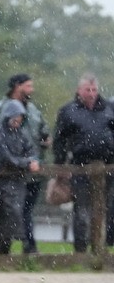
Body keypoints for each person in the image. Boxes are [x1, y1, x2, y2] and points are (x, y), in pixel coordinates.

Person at [0, 73, 49, 254]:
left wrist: (43, 144)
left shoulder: (34, 111)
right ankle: (3, 247)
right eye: (28, 86)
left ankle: (28, 246)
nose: (32, 90)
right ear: (17, 86)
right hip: (7, 172)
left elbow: (40, 132)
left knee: (26, 210)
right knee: (6, 210)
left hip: (31, 170)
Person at [52, 74, 114, 253]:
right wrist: (60, 165)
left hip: (108, 166)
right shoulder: (68, 111)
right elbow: (60, 141)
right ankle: (81, 248)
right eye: (88, 90)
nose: (91, 93)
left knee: (107, 207)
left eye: (94, 90)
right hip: (80, 166)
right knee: (82, 209)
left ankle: (103, 247)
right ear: (79, 91)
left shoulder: (109, 109)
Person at [0, 100, 41, 255]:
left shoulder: (22, 134)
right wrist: (27, 163)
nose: (17, 121)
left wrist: (33, 161)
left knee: (13, 214)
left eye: (20, 118)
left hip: (17, 182)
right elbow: (6, 158)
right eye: (15, 118)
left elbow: (31, 151)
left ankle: (5, 249)